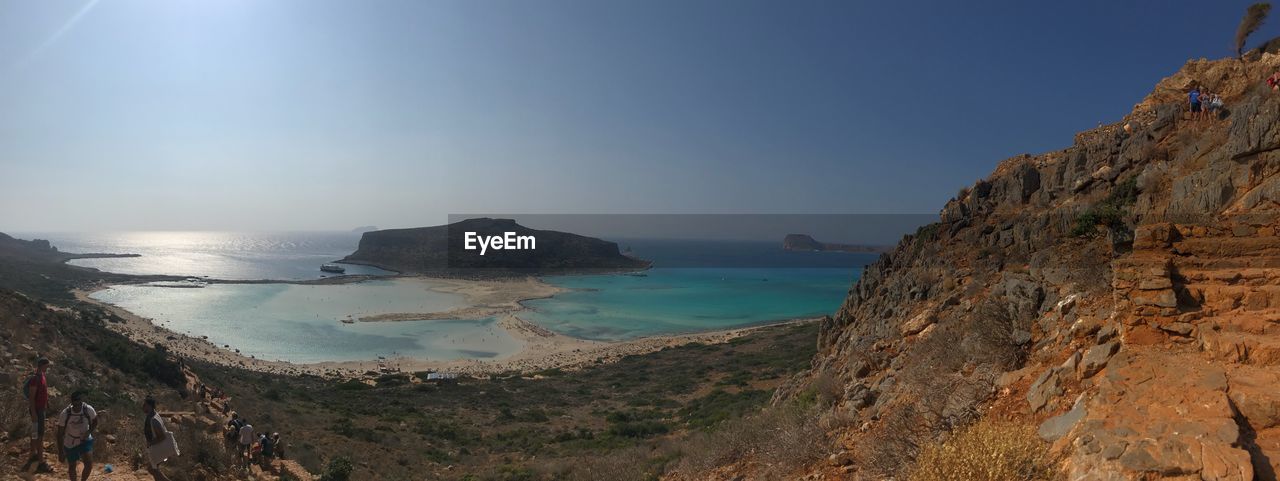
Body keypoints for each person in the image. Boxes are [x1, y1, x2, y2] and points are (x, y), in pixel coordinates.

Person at [56, 391, 97, 481]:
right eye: (75, 401)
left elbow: (95, 421)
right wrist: (61, 452)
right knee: (72, 466)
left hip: (84, 439)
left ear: (81, 401)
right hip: (70, 440)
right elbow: (59, 434)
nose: (77, 404)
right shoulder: (65, 414)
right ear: (72, 402)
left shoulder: (88, 409)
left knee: (89, 464)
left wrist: (89, 431)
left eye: (79, 401)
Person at [24, 357, 52, 473]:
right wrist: (34, 413)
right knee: (40, 436)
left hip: (41, 409)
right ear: (42, 365)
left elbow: (43, 392)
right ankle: (41, 462)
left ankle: (32, 455)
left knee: (35, 434)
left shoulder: (42, 377)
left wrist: (47, 403)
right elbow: (31, 397)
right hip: (37, 411)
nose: (48, 367)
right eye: (47, 365)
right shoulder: (35, 379)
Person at [142, 397, 176, 481]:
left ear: (149, 406)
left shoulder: (153, 419)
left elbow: (162, 436)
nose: (142, 406)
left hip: (159, 447)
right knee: (154, 469)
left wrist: (151, 443)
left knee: (152, 469)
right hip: (158, 447)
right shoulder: (152, 415)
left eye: (144, 405)